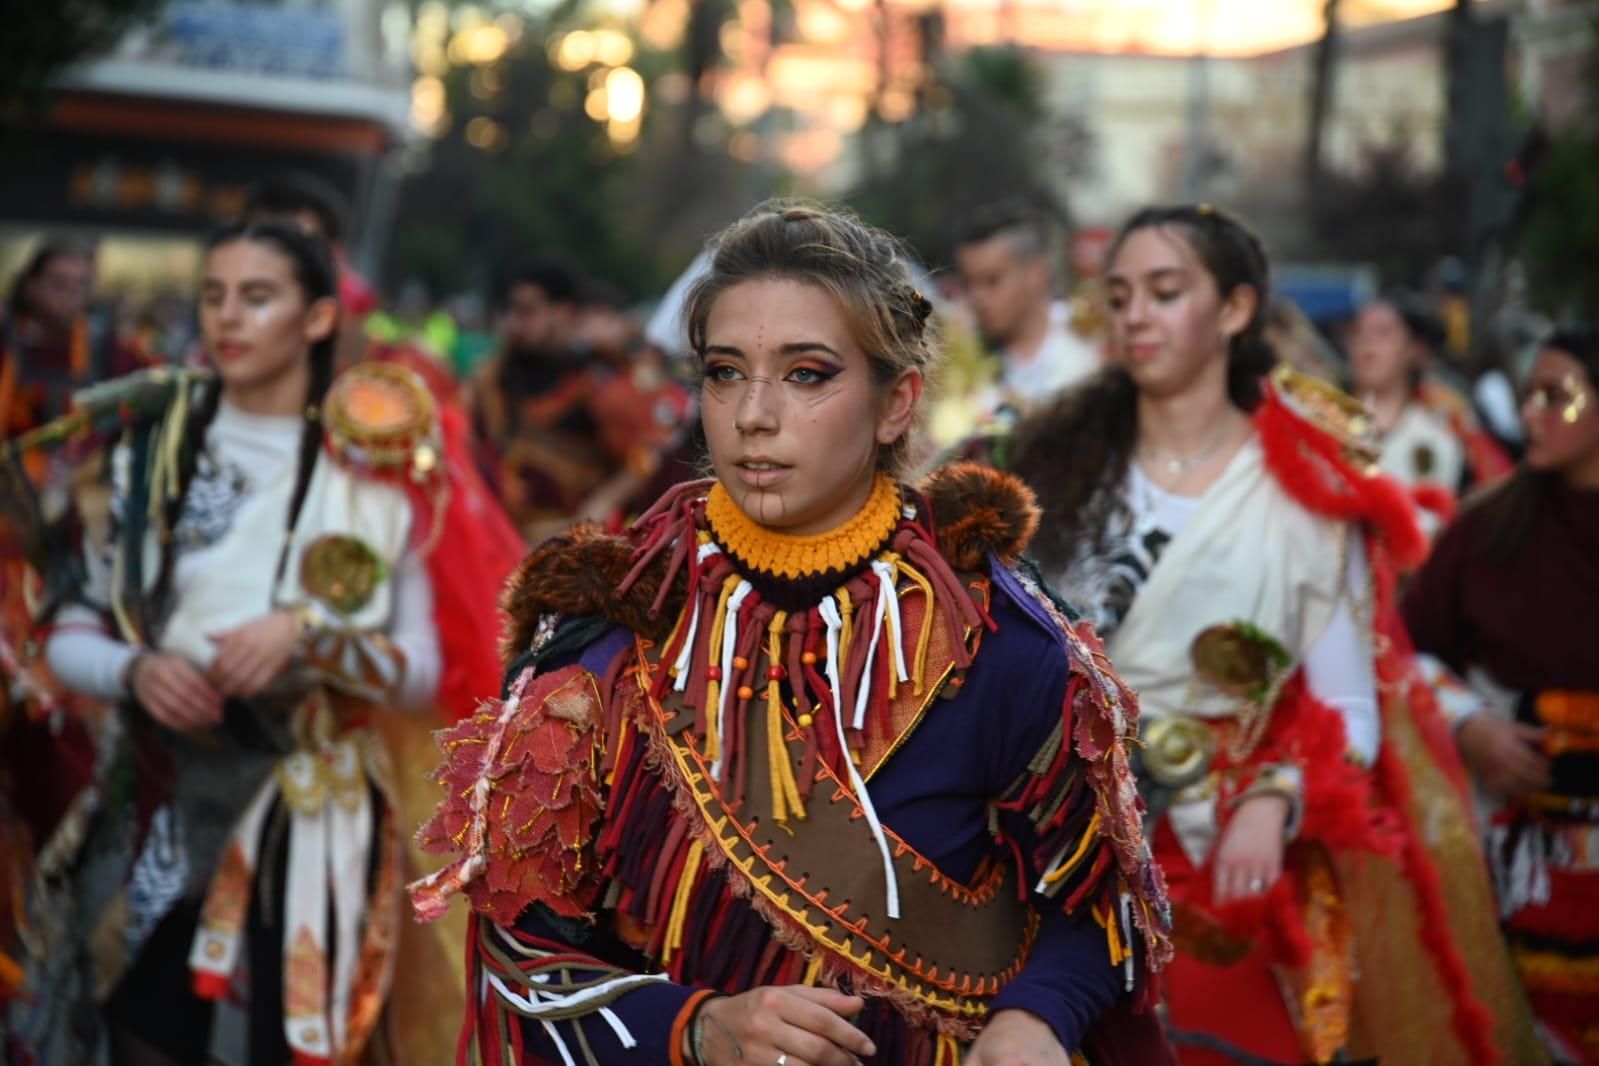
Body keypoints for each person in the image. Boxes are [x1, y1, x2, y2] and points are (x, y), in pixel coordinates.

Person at [411, 201, 1173, 1065]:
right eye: (725, 372)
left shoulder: (998, 636)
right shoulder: (613, 635)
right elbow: (520, 953)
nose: (752, 415)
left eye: (807, 375)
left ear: (897, 404)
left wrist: (1033, 1018)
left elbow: (1100, 907)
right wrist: (693, 1028)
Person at [1009, 204, 1539, 1065]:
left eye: (1165, 291)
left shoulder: (1305, 487)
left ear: (1233, 310)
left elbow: (1348, 709)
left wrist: (1275, 797)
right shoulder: (1053, 469)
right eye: (1119, 294)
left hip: (1228, 857)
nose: (1135, 314)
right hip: (1063, 849)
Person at [22, 221, 514, 1064]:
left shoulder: (376, 465)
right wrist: (135, 670)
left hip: (316, 813)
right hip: (157, 793)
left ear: (318, 318)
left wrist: (310, 637)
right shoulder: (148, 455)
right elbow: (66, 631)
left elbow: (425, 668)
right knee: (127, 1028)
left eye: (258, 298)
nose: (228, 319)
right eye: (214, 297)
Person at [1402, 325, 1599, 1065]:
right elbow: (1405, 648)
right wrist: (1468, 725)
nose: (1533, 412)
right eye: (1528, 395)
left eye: (1558, 396)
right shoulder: (1486, 524)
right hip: (1513, 846)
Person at [954, 201, 1100, 423]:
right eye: (969, 283)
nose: (978, 297)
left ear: (1036, 273)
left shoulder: (1090, 346)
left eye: (992, 280)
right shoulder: (963, 364)